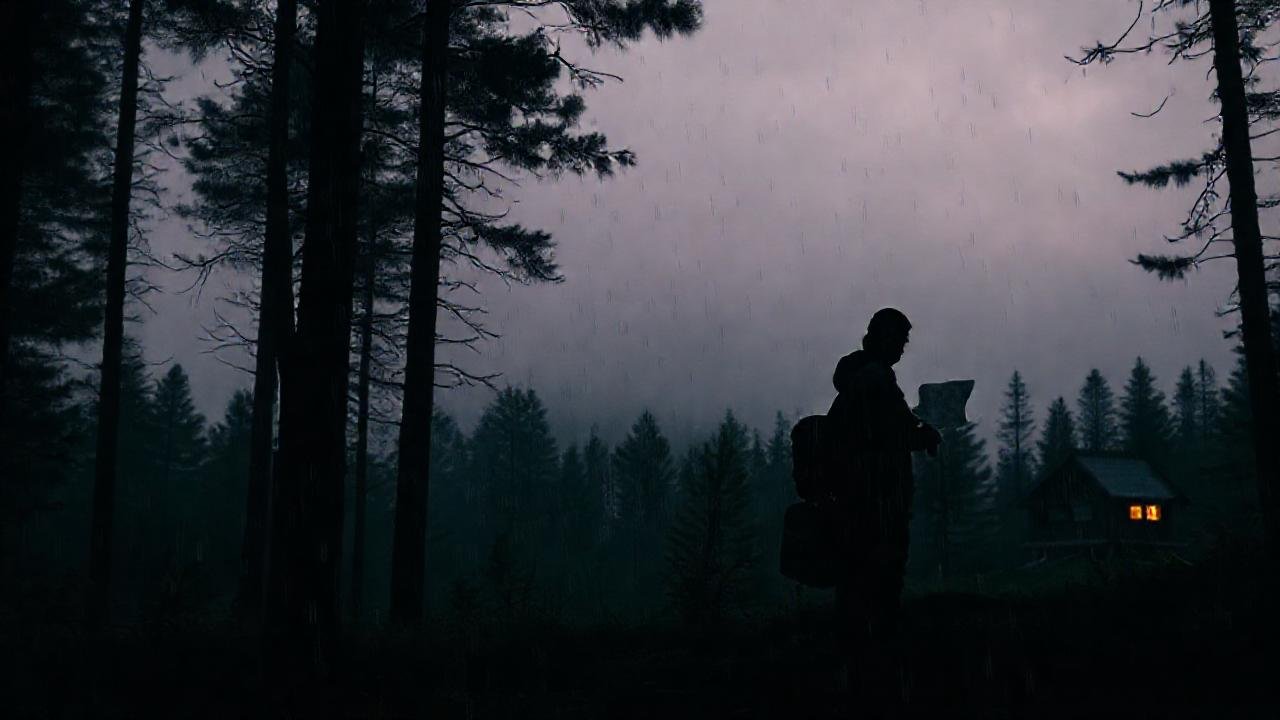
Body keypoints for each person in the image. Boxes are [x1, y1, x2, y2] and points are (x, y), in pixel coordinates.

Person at [826, 307, 941, 704]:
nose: (904, 349)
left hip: (860, 496)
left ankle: (858, 659)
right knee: (880, 573)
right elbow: (888, 433)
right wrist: (922, 434)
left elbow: (882, 429)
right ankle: (875, 665)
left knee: (858, 574)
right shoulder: (875, 380)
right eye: (900, 340)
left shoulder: (859, 378)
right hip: (878, 497)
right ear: (884, 338)